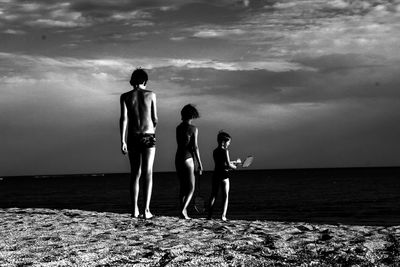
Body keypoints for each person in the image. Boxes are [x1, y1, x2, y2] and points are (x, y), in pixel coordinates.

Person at [120, 68, 157, 219]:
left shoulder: (125, 96)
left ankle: (134, 209)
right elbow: (155, 118)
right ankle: (146, 210)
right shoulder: (151, 95)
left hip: (132, 136)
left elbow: (124, 119)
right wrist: (152, 128)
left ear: (133, 80)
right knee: (148, 172)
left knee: (135, 173)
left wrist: (122, 140)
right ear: (145, 81)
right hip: (148, 135)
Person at [175, 104, 203, 219]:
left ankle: (184, 211)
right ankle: (183, 210)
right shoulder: (193, 129)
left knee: (182, 187)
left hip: (178, 157)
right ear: (192, 115)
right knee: (191, 188)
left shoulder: (178, 128)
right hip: (188, 158)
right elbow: (195, 147)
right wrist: (200, 164)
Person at [207, 131, 241, 221]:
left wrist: (233, 163)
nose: (229, 144)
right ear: (224, 142)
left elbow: (221, 164)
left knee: (213, 195)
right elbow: (228, 165)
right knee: (225, 196)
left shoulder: (215, 151)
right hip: (224, 175)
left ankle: (209, 215)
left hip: (216, 174)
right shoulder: (225, 151)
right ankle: (223, 216)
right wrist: (235, 167)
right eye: (228, 142)